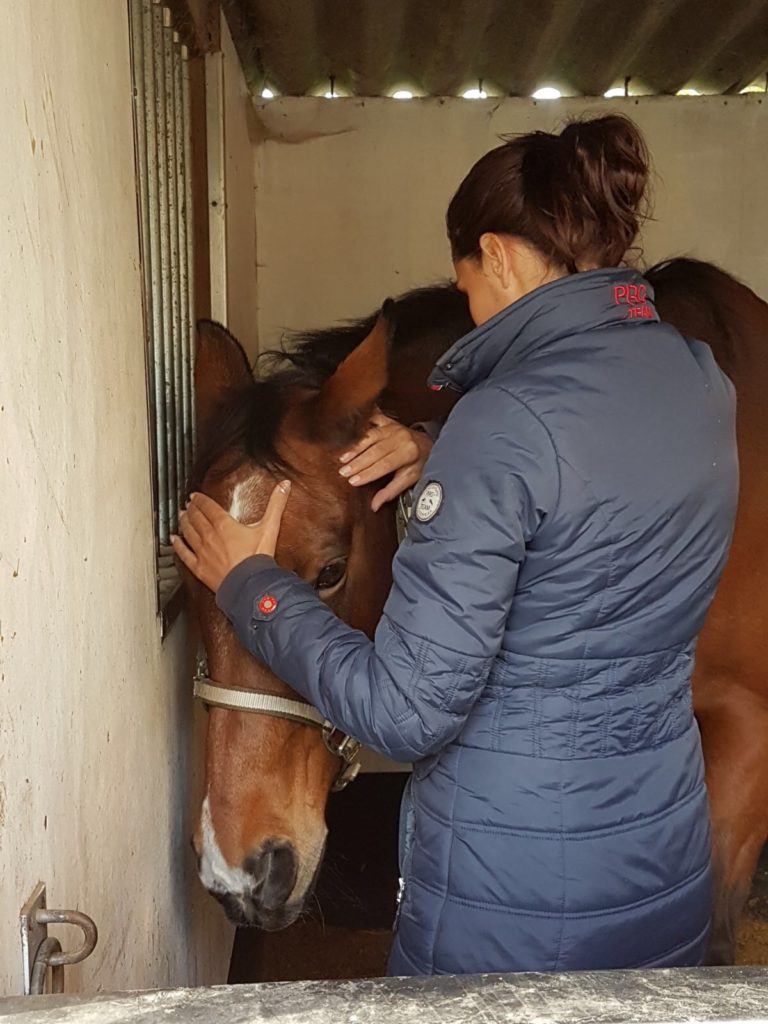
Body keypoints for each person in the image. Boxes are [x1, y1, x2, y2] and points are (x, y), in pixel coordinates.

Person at [172, 114, 738, 975]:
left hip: (512, 895)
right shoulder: (696, 379)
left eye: (464, 280)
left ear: (498, 256)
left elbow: (404, 712)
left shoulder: (499, 424)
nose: (467, 304)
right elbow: (598, 486)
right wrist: (442, 453)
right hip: (659, 850)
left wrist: (252, 584)